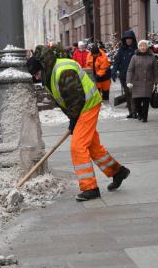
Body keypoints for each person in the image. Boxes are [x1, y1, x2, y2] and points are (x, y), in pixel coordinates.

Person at [26, 46, 131, 202]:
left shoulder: (62, 71)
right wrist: (73, 119)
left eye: (36, 74)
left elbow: (77, 98)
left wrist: (74, 121)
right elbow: (67, 99)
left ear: (42, 67)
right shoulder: (49, 73)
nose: (36, 78)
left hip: (87, 105)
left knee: (78, 147)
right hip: (81, 108)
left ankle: (90, 188)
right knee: (92, 146)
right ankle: (117, 172)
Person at [126, 40, 158, 122]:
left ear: (147, 47)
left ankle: (144, 117)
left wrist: (156, 82)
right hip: (136, 82)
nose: (143, 47)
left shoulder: (152, 57)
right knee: (137, 101)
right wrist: (128, 81)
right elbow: (130, 70)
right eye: (141, 46)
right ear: (138, 47)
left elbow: (155, 70)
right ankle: (140, 114)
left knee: (146, 101)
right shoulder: (134, 57)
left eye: (144, 46)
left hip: (148, 82)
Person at [112, 30, 138, 118]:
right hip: (124, 76)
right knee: (128, 94)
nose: (128, 41)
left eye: (130, 39)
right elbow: (116, 62)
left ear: (133, 39)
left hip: (135, 76)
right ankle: (131, 112)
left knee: (134, 94)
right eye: (127, 39)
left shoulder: (137, 50)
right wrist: (114, 71)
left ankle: (135, 112)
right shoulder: (121, 50)